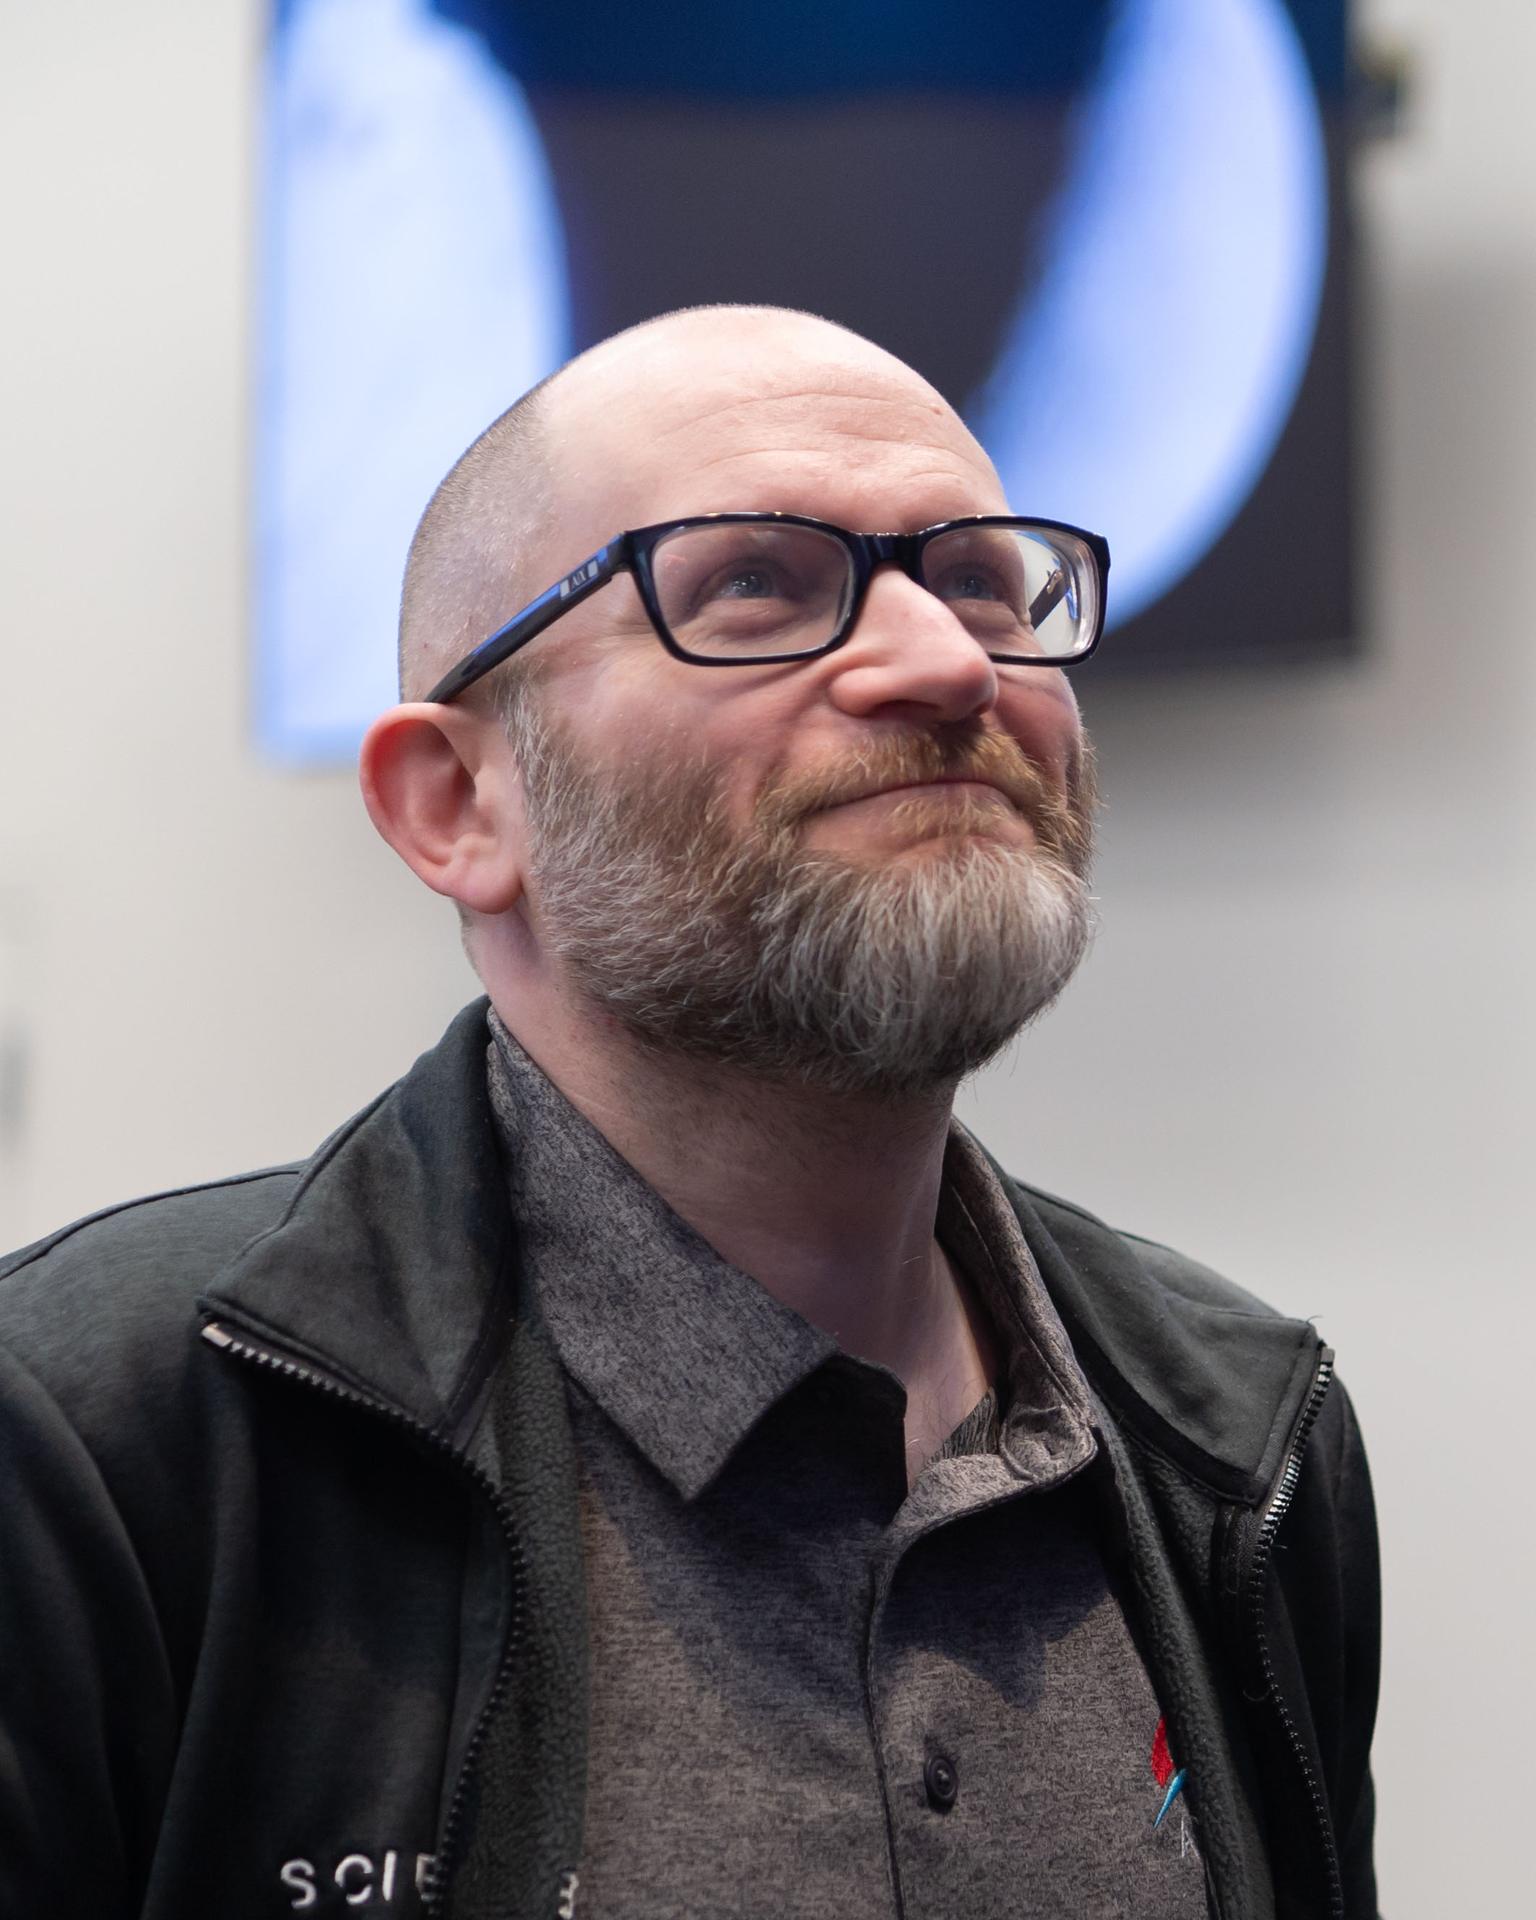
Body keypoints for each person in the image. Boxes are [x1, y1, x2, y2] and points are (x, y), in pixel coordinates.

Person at [0, 306, 1379, 1920]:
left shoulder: (1238, 1442)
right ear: (457, 805)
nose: (946, 660)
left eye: (989, 585)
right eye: (753, 586)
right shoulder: (91, 1451)